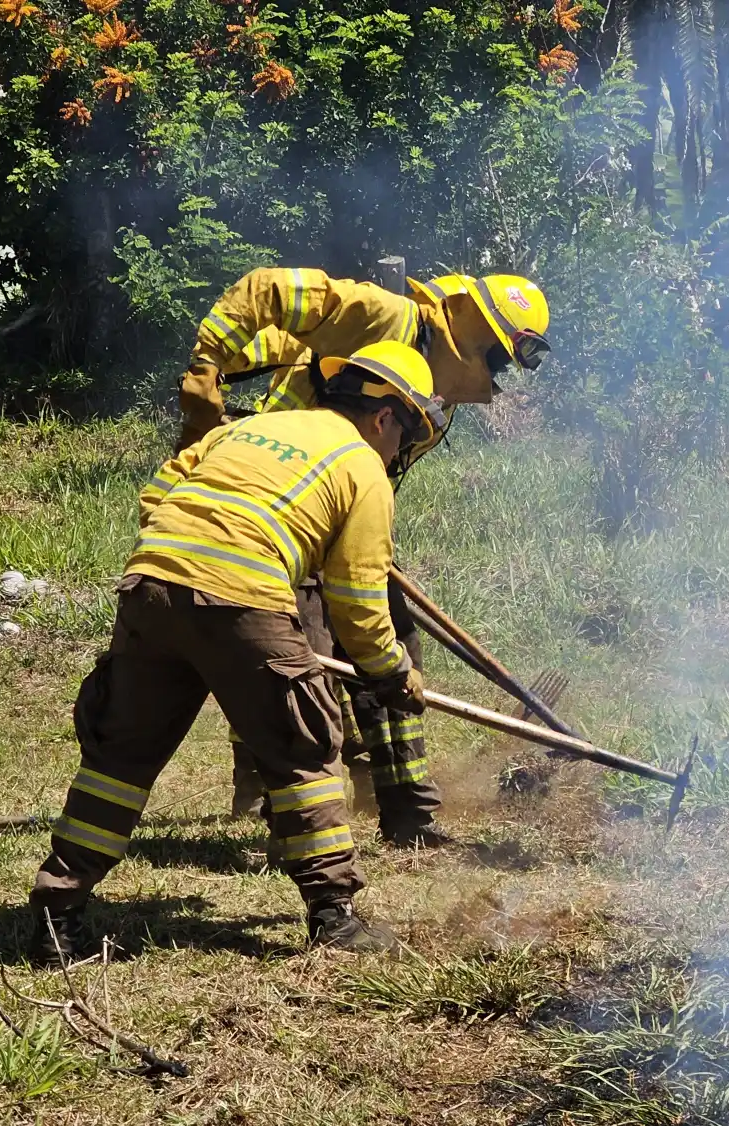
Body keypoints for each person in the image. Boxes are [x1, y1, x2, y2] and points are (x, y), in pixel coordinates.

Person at [27, 341, 446, 962]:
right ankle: (334, 915)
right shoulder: (362, 467)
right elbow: (357, 597)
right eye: (403, 440)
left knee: (120, 757)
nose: (396, 455)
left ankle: (57, 914)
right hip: (242, 595)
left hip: (151, 583)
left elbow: (160, 492)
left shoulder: (247, 430)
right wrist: (391, 670)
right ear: (385, 417)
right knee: (301, 751)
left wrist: (190, 555)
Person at [175, 268, 551, 846]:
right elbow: (269, 293)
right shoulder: (385, 318)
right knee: (299, 663)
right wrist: (209, 367)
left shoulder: (439, 392)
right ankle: (287, 813)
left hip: (343, 521)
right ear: (471, 333)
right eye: (498, 360)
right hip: (283, 520)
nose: (496, 378)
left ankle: (406, 814)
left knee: (394, 653)